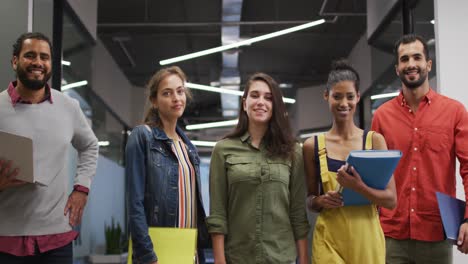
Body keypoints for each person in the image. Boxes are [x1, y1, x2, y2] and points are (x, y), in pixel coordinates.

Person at [0, 32, 99, 263]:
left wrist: (81, 188)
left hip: (56, 239)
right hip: (6, 238)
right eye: (30, 55)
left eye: (44, 57)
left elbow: (90, 145)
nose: (38, 62)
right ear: (15, 61)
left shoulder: (69, 107)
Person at [371, 34, 468, 263]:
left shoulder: (454, 112)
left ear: (428, 64)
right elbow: (374, 177)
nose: (411, 64)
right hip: (390, 237)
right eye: (404, 59)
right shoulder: (382, 116)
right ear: (397, 68)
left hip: (436, 235)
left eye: (417, 57)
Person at [207, 73, 310, 264]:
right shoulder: (223, 150)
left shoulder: (293, 151)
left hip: (281, 258)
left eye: (268, 97)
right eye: (255, 95)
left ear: (275, 106)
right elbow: (217, 215)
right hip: (237, 258)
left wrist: (303, 260)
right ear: (244, 103)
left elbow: (298, 213)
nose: (261, 102)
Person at [303, 60, 397, 264]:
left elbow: (391, 200)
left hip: (366, 240)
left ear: (358, 97)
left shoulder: (374, 142)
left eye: (349, 96)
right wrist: (320, 201)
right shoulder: (312, 146)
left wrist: (358, 187)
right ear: (326, 96)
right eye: (337, 96)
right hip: (328, 239)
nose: (343, 103)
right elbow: (310, 199)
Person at [126, 66, 208, 264]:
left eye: (180, 91)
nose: (176, 98)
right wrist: (147, 255)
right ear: (154, 101)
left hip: (189, 251)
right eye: (167, 93)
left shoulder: (189, 149)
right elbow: (134, 204)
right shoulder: (142, 137)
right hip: (156, 251)